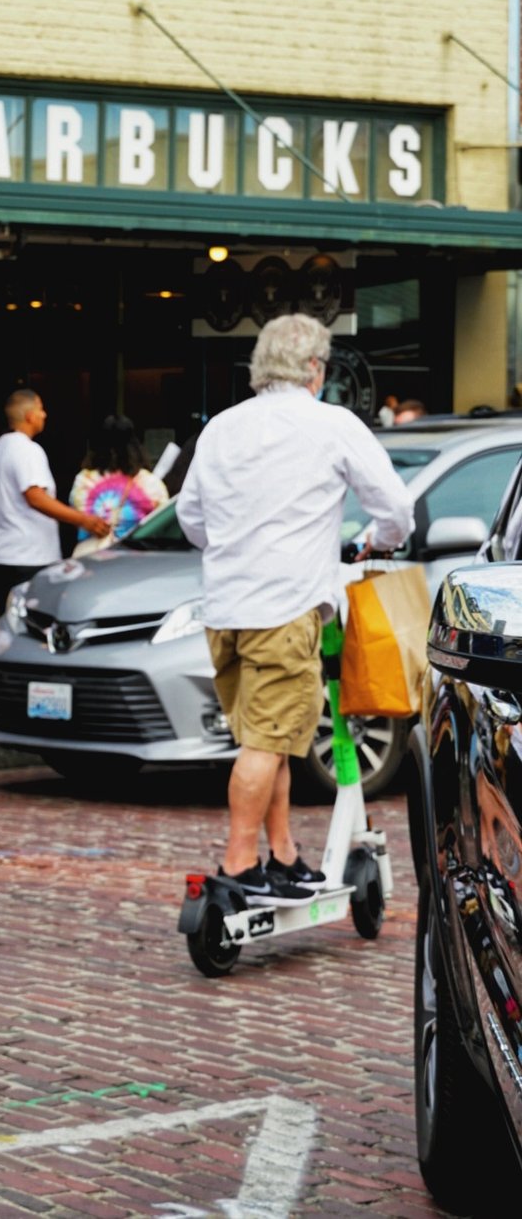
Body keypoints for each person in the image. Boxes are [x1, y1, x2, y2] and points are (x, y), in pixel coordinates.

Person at [177, 313, 413, 904]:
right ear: (314, 368)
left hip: (225, 606)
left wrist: (238, 550)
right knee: (268, 741)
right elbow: (395, 509)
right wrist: (380, 541)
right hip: (285, 608)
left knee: (265, 736)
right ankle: (238, 863)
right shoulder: (331, 424)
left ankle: (282, 854)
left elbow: (191, 520)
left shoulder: (221, 428)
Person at [0, 389, 111, 611]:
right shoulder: (27, 450)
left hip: (1, 557)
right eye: (41, 409)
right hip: (30, 558)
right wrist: (84, 520)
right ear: (29, 415)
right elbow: (35, 497)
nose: (45, 415)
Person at [69, 414, 168, 542]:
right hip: (137, 559)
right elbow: (163, 523)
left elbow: (76, 517)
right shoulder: (150, 483)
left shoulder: (84, 481)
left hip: (92, 557)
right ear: (135, 445)